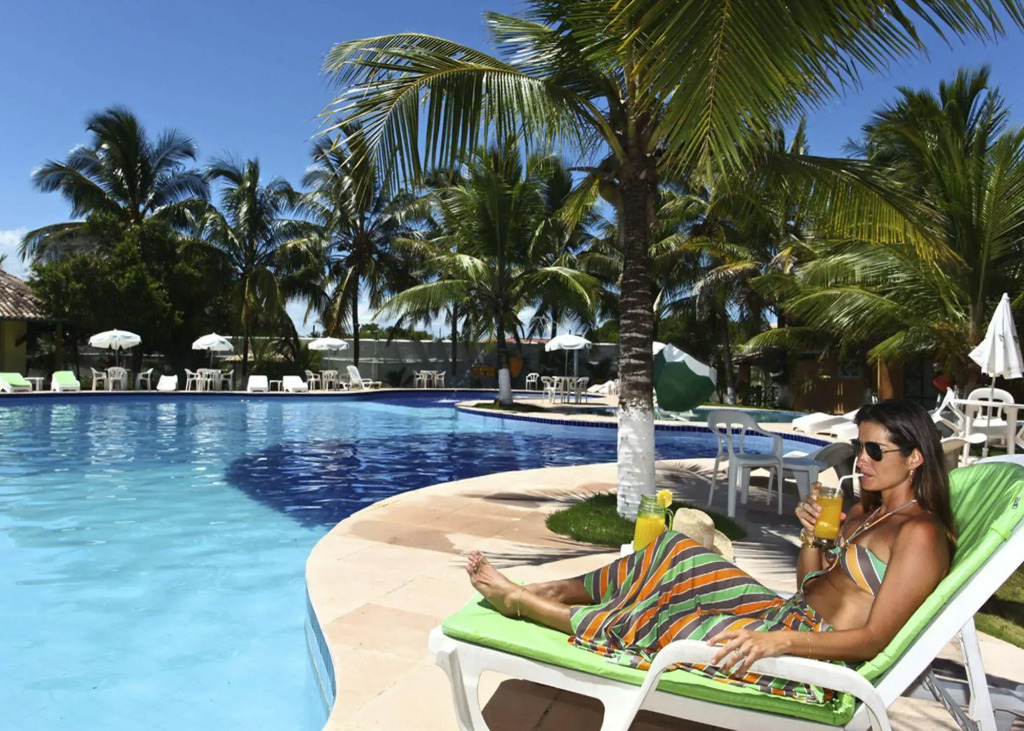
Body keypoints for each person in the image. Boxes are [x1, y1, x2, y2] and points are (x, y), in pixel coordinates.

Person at [466, 399, 955, 701]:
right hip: (788, 614)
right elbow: (811, 585)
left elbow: (873, 640)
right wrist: (811, 536)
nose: (861, 460)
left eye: (874, 451)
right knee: (678, 551)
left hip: (814, 657)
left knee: (671, 621)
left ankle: (527, 604)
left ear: (915, 457)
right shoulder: (867, 510)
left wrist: (781, 643)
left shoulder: (920, 534)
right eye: (858, 448)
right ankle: (557, 588)